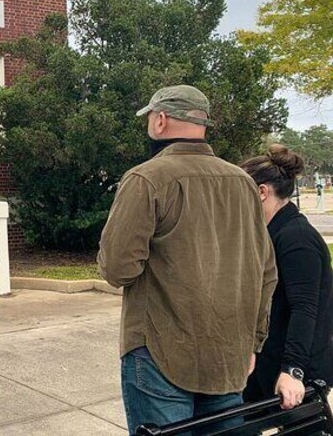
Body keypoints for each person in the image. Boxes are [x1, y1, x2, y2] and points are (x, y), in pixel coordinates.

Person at [97, 85, 277, 434]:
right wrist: (253, 343)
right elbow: (266, 273)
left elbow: (117, 269)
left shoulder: (145, 178)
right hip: (229, 355)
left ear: (161, 119)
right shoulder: (243, 182)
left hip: (159, 354)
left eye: (150, 117)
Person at [241, 145, 333, 410]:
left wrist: (293, 370)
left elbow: (305, 309)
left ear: (261, 192)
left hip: (296, 369)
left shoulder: (297, 238)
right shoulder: (271, 234)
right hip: (268, 360)